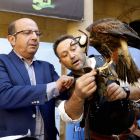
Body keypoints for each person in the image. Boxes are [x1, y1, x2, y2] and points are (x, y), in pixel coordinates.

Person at [0, 18, 77, 140]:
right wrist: (53, 87)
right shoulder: (2, 62)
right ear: (12, 39)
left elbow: (65, 93)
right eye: (27, 32)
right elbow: (4, 96)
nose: (35, 37)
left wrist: (78, 75)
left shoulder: (47, 67)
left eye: (37, 33)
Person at [53, 34, 140, 140]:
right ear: (61, 63)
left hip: (133, 135)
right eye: (65, 55)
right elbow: (70, 118)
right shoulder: (66, 85)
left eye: (74, 49)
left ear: (82, 48)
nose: (72, 55)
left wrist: (125, 92)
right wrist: (78, 95)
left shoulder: (112, 62)